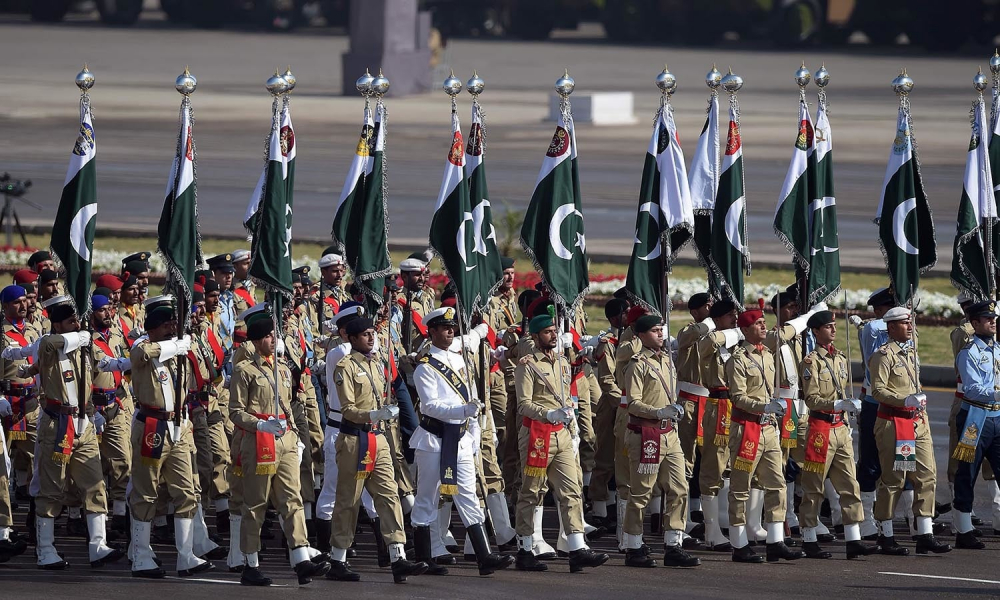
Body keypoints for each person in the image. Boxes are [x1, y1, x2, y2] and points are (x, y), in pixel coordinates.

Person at [229, 305, 331, 586]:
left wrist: (296, 436)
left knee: (292, 499)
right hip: (258, 440)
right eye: (268, 335)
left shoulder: (283, 369)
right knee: (256, 503)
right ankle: (250, 562)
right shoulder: (244, 370)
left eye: (275, 335)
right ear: (256, 339)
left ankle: (300, 559)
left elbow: (288, 406)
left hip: (284, 440)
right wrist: (260, 424)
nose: (274, 339)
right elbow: (236, 411)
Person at [410, 306, 514, 576]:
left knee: (468, 495)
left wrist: (472, 428)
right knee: (428, 499)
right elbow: (430, 406)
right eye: (444, 327)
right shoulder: (425, 368)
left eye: (452, 327)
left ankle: (484, 556)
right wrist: (462, 411)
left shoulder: (459, 360)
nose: (450, 331)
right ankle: (424, 557)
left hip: (461, 439)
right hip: (434, 440)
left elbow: (468, 395)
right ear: (431, 332)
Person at [324, 316, 428, 583]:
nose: (372, 338)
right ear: (352, 338)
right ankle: (338, 558)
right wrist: (374, 413)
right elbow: (347, 408)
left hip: (378, 438)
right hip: (354, 439)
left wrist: (383, 414)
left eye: (373, 333)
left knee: (389, 495)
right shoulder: (344, 367)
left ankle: (398, 556)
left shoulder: (379, 362)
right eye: (366, 334)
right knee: (349, 500)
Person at [512, 309, 608, 573]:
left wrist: (571, 424)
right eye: (547, 332)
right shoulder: (528, 365)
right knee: (532, 492)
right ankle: (525, 548)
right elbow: (523, 405)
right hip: (537, 436)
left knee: (572, 490)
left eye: (555, 331)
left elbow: (567, 398)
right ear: (535, 336)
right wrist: (547, 413)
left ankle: (577, 547)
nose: (553, 336)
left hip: (562, 433)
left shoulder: (563, 362)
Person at [128, 295, 213, 578]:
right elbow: (139, 354)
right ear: (152, 329)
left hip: (177, 426)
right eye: (165, 325)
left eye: (172, 325)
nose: (170, 329)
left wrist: (181, 347)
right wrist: (171, 345)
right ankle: (141, 555)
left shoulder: (178, 352)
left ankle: (186, 555)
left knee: (186, 492)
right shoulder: (144, 346)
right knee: (146, 492)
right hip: (151, 426)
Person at [868, 306, 951, 555]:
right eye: (905, 323)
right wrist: (904, 399)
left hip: (917, 422)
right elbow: (878, 390)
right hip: (895, 423)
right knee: (894, 480)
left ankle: (925, 532)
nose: (910, 327)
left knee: (927, 476)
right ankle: (885, 533)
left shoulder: (911, 352)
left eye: (910, 322)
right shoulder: (883, 355)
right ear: (891, 327)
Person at [725, 304, 804, 563]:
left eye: (763, 322)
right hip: (746, 427)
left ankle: (775, 540)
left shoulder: (768, 355)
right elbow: (737, 397)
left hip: (769, 427)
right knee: (740, 487)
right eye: (758, 323)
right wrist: (763, 406)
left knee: (776, 483)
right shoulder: (738, 359)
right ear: (745, 330)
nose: (764, 326)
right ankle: (739, 543)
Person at [799, 310, 880, 559]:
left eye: (834, 326)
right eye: (827, 327)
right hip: (821, 428)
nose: (833, 330)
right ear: (815, 331)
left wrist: (846, 410)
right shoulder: (810, 362)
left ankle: (853, 538)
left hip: (840, 429)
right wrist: (836, 405)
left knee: (849, 485)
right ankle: (809, 538)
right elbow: (812, 399)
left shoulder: (840, 358)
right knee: (813, 488)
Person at [621, 314, 700, 568]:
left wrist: (675, 409)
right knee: (642, 492)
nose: (661, 335)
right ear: (642, 335)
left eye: (661, 330)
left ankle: (673, 543)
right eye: (655, 331)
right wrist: (658, 412)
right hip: (646, 434)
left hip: (670, 434)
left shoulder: (667, 361)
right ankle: (633, 545)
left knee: (679, 488)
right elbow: (632, 404)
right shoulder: (637, 364)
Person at [953, 300, 1000, 550]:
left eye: (993, 318)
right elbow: (971, 388)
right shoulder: (968, 353)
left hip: (997, 418)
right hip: (975, 418)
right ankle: (963, 529)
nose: (993, 321)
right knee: (967, 474)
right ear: (975, 323)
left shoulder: (998, 349)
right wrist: (995, 394)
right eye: (987, 318)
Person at [696, 299, 741, 551]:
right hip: (718, 406)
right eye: (730, 316)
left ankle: (725, 522)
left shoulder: (736, 343)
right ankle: (711, 531)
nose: (735, 319)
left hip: (737, 405)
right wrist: (732, 332)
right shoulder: (711, 340)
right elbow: (709, 343)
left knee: (734, 465)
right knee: (714, 464)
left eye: (736, 316)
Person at [850, 287, 894, 538]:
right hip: (875, 403)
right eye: (892, 311)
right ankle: (866, 518)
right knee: (870, 461)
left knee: (903, 462)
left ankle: (911, 519)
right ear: (879, 312)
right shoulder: (874, 328)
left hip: (901, 405)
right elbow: (874, 330)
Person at [89, 293, 134, 537]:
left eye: (109, 309)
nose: (107, 314)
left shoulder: (115, 333)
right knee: (93, 467)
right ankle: (85, 519)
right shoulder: (87, 340)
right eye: (102, 310)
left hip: (115, 404)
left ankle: (118, 516)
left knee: (123, 460)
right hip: (92, 408)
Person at [674, 292, 713, 534]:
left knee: (710, 462)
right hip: (689, 402)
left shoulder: (719, 335)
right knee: (685, 461)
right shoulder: (689, 331)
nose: (710, 309)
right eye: (707, 306)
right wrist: (711, 323)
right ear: (695, 311)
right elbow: (687, 338)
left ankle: (709, 516)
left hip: (711, 403)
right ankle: (683, 517)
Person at [0, 285, 41, 512]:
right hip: (6, 403)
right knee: (3, 461)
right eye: (17, 302)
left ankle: (36, 516)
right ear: (5, 306)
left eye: (25, 300)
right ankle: (4, 518)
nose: (24, 305)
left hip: (31, 403)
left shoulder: (34, 331)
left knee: (39, 457)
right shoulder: (1, 332)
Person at [588, 298, 628, 527]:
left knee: (623, 458)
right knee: (604, 457)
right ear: (614, 318)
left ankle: (617, 505)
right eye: (625, 314)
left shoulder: (631, 341)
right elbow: (606, 379)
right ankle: (600, 509)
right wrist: (624, 403)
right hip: (612, 405)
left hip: (629, 404)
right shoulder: (608, 344)